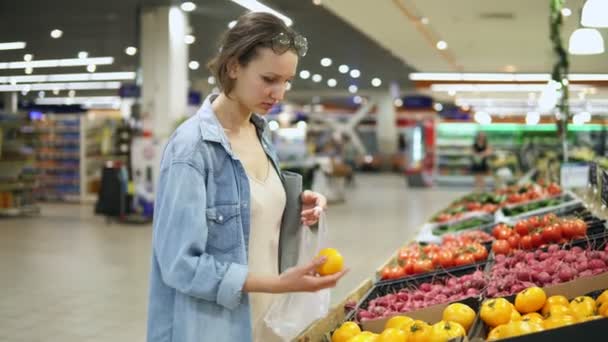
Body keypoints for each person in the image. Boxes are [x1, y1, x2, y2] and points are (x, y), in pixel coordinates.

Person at [146, 12, 348, 342]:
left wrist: (296, 206)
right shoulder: (192, 149)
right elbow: (180, 265)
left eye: (287, 81)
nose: (279, 92)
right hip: (214, 327)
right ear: (233, 67)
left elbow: (251, 218)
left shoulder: (259, 133)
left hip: (267, 321)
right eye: (269, 79)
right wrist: (278, 284)